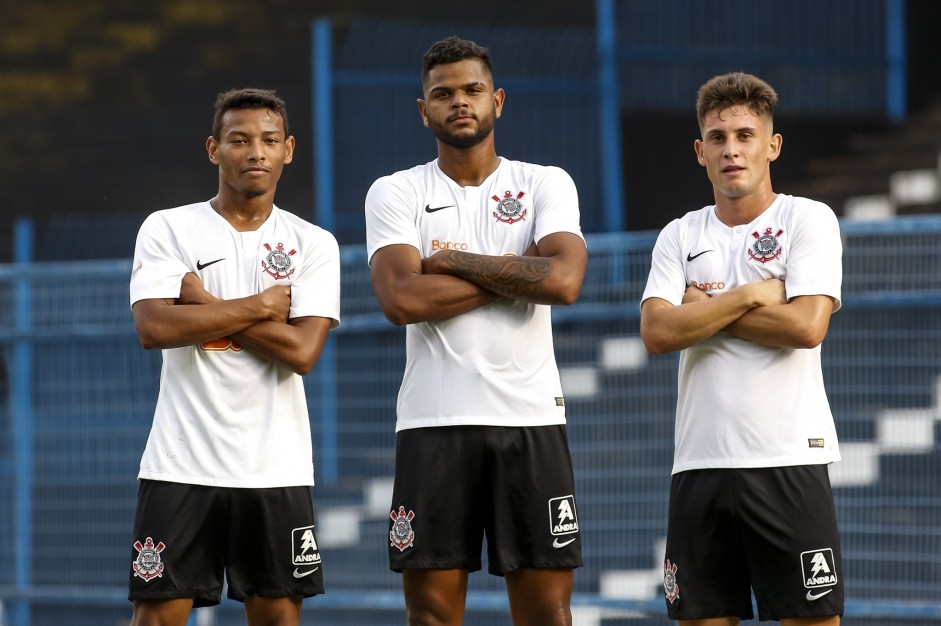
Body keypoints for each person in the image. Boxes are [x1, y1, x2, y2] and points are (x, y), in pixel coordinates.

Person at [364, 36, 588, 626]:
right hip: (433, 424)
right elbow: (401, 297)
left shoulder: (546, 183)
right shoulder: (396, 191)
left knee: (547, 614)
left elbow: (564, 281)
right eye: (442, 94)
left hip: (531, 420)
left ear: (499, 100)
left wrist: (452, 261)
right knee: (432, 616)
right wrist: (522, 271)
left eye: (472, 90)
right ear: (423, 110)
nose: (459, 102)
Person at [127, 88, 340, 626]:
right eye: (239, 140)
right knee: (157, 619)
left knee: (277, 619)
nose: (255, 152)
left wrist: (205, 305)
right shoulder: (168, 227)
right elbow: (155, 327)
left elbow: (302, 351)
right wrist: (263, 307)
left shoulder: (313, 244)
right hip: (181, 462)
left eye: (269, 140)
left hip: (275, 466)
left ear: (289, 149)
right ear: (213, 149)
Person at [640, 72, 844, 625]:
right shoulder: (678, 235)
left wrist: (702, 310)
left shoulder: (807, 219)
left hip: (788, 461)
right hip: (699, 467)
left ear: (772, 146)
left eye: (745, 135)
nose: (731, 149)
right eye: (718, 137)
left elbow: (805, 326)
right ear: (699, 151)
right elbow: (658, 333)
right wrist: (753, 295)